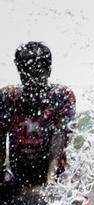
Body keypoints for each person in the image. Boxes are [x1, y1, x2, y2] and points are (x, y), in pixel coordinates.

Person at [0, 42, 75, 194]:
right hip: (19, 176)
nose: (30, 81)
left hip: (55, 174)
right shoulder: (7, 98)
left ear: (48, 71)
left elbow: (59, 139)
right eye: (24, 74)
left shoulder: (61, 97)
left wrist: (51, 180)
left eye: (36, 74)